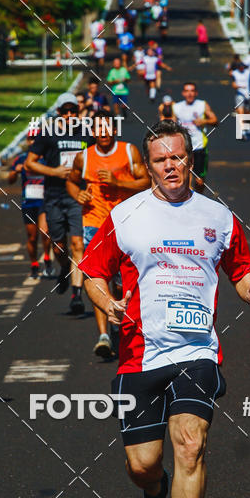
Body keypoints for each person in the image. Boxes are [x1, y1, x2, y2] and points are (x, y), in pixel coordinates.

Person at [80, 120, 250, 498]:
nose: (171, 165)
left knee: (190, 445)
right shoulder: (126, 215)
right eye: (161, 159)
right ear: (148, 167)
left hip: (197, 352)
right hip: (139, 354)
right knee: (143, 464)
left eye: (178, 157)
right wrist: (108, 301)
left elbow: (241, 268)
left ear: (190, 161)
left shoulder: (216, 216)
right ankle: (153, 492)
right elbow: (92, 272)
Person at [68, 113, 150, 357]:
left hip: (126, 223)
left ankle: (124, 325)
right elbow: (71, 181)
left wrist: (118, 183)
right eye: (98, 129)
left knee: (123, 281)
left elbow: (146, 181)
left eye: (107, 128)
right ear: (93, 132)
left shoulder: (128, 152)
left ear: (114, 129)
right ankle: (103, 334)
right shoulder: (84, 157)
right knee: (97, 277)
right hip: (94, 223)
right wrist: (77, 195)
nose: (103, 133)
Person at [25, 92, 88, 315]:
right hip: (53, 196)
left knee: (79, 245)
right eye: (65, 111)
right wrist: (54, 171)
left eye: (74, 111)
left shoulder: (86, 133)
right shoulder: (48, 134)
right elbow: (29, 163)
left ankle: (77, 295)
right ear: (59, 113)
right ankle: (64, 269)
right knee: (59, 247)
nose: (70, 115)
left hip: (77, 197)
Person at [8, 130, 53, 279]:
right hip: (29, 202)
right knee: (32, 237)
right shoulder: (21, 158)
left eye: (36, 139)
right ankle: (34, 263)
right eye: (31, 139)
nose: (33, 142)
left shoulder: (48, 157)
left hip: (44, 200)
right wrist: (15, 171)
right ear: (27, 141)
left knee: (45, 232)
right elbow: (10, 180)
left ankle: (47, 256)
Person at [171, 82, 218, 193]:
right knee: (184, 178)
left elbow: (215, 121)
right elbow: (172, 126)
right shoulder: (177, 107)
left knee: (199, 181)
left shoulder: (202, 105)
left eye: (192, 91)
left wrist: (204, 121)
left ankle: (199, 198)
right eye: (187, 91)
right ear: (183, 93)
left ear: (196, 93)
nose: (190, 94)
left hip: (199, 147)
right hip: (183, 148)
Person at [230, 55, 250, 130]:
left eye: (242, 67)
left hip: (247, 95)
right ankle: (242, 129)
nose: (241, 69)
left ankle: (249, 124)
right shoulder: (235, 73)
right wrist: (238, 86)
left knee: (246, 112)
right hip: (239, 94)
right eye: (240, 68)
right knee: (240, 112)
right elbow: (233, 84)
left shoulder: (248, 73)